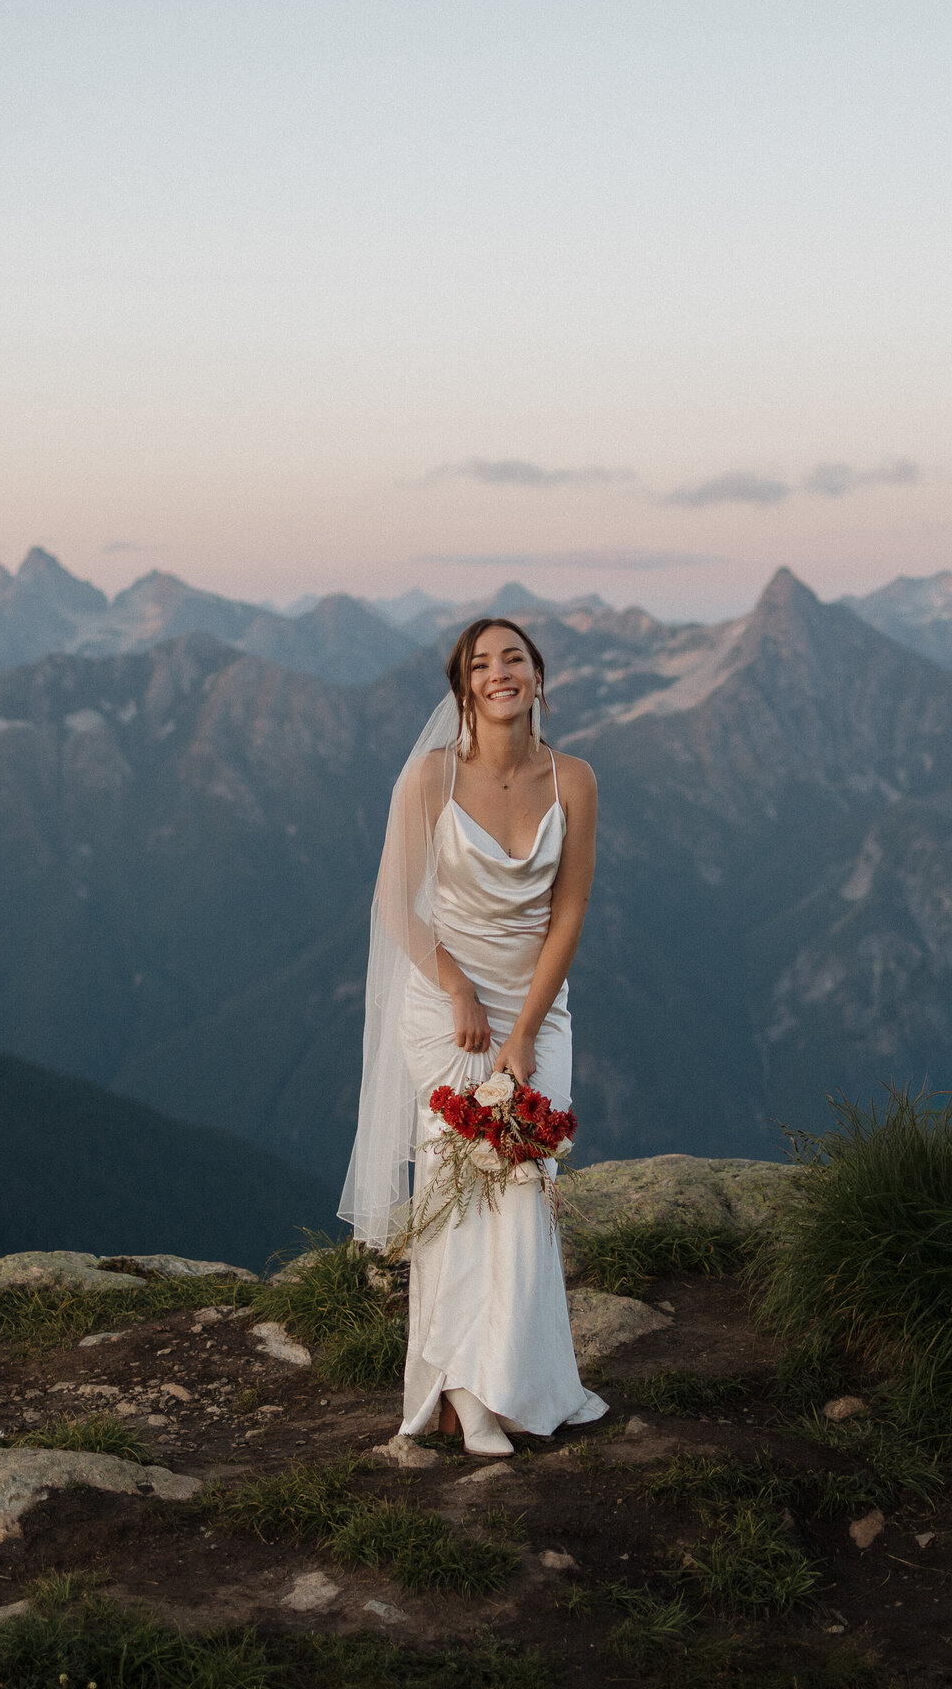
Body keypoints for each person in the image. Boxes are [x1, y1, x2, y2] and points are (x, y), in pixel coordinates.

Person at [339, 617, 608, 1455]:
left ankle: (516, 1383)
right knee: (457, 1193)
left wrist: (525, 1029)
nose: (500, 673)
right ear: (464, 688)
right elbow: (395, 903)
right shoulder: (430, 778)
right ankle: (457, 1388)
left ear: (537, 677)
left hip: (537, 1002)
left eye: (514, 659)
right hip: (446, 1001)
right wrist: (457, 988)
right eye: (482, 664)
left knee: (525, 1181)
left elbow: (569, 911)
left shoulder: (574, 779)